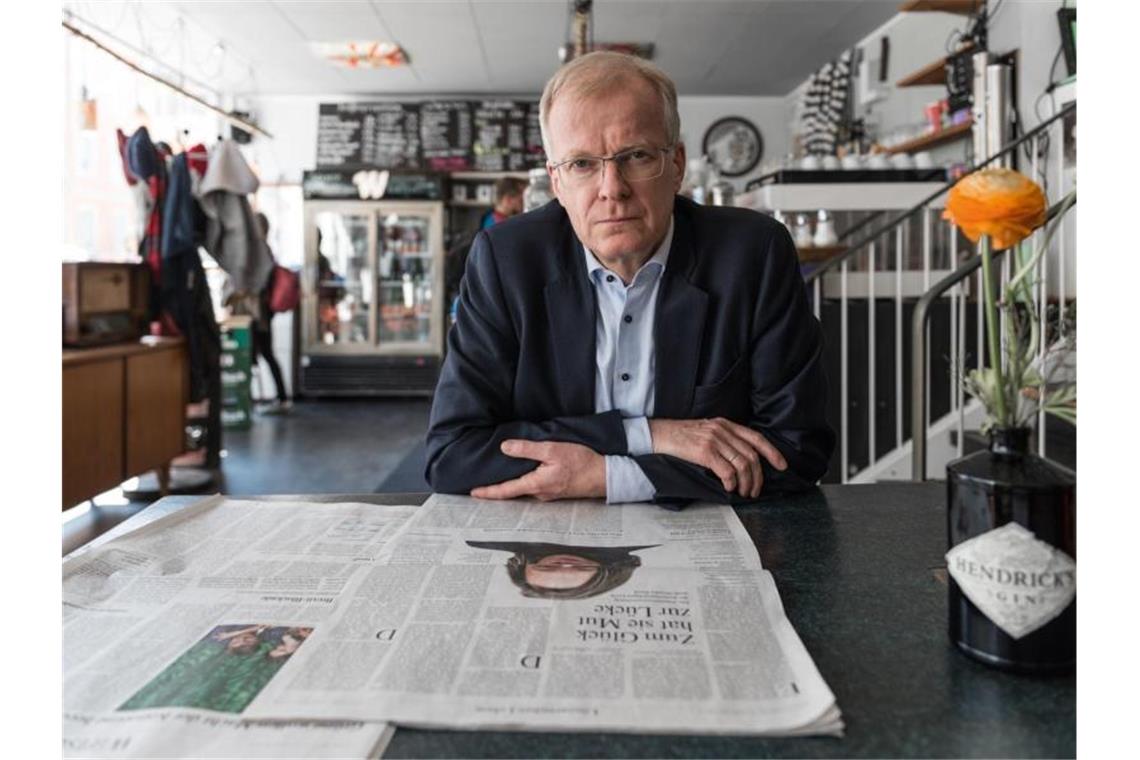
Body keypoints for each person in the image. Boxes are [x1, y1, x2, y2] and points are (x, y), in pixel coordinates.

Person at [425, 51, 834, 507]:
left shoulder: (753, 255)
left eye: (636, 156)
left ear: (676, 164)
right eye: (582, 164)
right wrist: (649, 435)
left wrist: (607, 476)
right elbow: (453, 453)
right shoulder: (507, 262)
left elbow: (797, 453)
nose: (611, 188)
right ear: (556, 182)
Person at [466, 541, 659, 600]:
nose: (566, 563)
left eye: (546, 567)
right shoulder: (644, 543)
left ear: (524, 564)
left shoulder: (483, 543)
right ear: (604, 570)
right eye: (582, 567)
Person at [253, 212, 290, 414]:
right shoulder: (265, 250)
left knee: (260, 353)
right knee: (265, 353)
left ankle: (281, 397)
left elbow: (257, 283)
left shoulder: (258, 251)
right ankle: (281, 396)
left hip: (259, 313)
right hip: (263, 312)